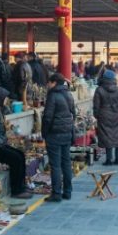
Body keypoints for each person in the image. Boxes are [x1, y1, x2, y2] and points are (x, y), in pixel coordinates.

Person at [42, 73, 76, 203]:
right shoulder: (68, 94)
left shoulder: (52, 95)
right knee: (66, 163)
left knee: (55, 165)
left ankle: (56, 193)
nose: (48, 85)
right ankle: (67, 191)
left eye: (49, 82)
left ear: (54, 82)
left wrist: (44, 133)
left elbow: (48, 117)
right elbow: (74, 113)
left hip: (54, 134)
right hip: (67, 132)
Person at [93, 70, 118, 166]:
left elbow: (96, 105)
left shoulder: (99, 90)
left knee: (107, 136)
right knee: (117, 135)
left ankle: (108, 159)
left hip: (104, 115)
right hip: (115, 115)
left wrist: (97, 114)